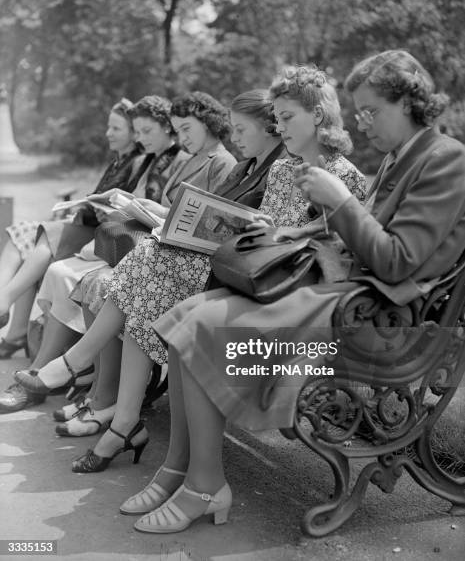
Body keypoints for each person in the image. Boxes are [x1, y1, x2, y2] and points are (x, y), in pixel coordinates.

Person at [50, 50, 464, 535]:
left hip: (373, 325)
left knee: (199, 325)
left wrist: (341, 203)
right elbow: (362, 239)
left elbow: (394, 261)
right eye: (360, 110)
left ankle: (203, 484)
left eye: (373, 110)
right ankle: (184, 473)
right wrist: (299, 235)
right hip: (342, 298)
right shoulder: (405, 155)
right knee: (183, 318)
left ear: (411, 103)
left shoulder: (446, 160)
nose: (362, 121)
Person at [16, 68, 366, 478]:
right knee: (148, 273)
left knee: (151, 263)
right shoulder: (283, 169)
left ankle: (89, 378)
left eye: (287, 117)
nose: (279, 125)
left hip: (285, 293)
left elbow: (329, 258)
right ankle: (120, 416)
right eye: (278, 117)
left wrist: (269, 233)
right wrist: (247, 226)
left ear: (320, 116)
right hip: (251, 269)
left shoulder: (345, 178)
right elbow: (265, 226)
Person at [0, 95, 189, 412]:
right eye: (138, 131)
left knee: (66, 269)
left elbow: (168, 215)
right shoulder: (147, 161)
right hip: (120, 239)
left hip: (135, 246)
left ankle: (46, 372)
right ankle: (46, 366)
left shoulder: (173, 161)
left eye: (143, 130)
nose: (140, 138)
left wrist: (122, 205)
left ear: (167, 128)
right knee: (56, 266)